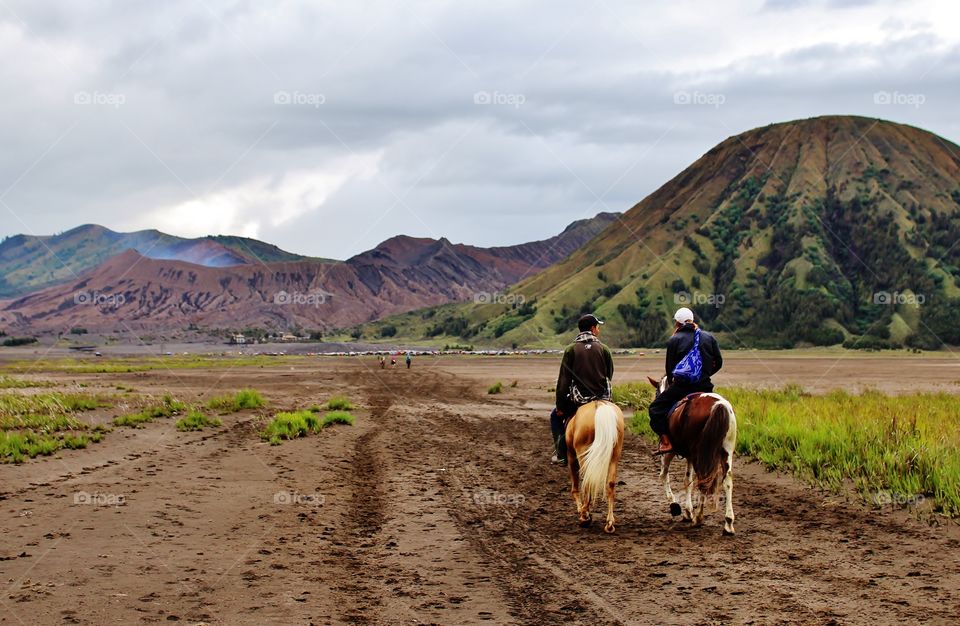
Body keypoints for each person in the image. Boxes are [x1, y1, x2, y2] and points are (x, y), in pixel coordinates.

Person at [648, 307, 723, 455]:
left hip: (682, 387)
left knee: (655, 409)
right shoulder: (709, 337)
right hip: (705, 386)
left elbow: (670, 370)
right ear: (692, 320)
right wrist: (705, 374)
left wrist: (673, 383)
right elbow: (719, 362)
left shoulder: (674, 339)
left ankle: (666, 442)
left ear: (677, 323)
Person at [551, 313, 615, 465]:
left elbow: (563, 381)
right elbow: (609, 374)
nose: (598, 330)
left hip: (579, 399)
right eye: (598, 327)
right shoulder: (604, 349)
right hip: (602, 397)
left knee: (555, 416)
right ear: (593, 329)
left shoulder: (571, 349)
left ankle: (561, 454)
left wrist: (560, 406)